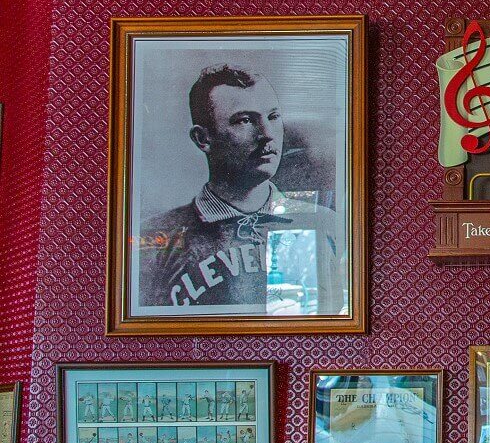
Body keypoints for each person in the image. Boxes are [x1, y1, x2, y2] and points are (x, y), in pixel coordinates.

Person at [138, 65, 345, 314]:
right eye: (245, 120)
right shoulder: (157, 238)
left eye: (273, 117)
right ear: (203, 139)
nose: (267, 134)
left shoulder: (324, 224)